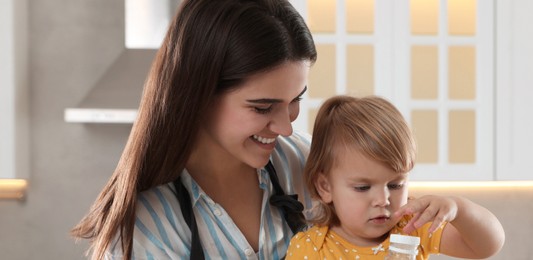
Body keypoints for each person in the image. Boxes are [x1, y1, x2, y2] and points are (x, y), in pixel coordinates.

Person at [71, 0, 317, 259]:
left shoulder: (310, 163)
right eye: (263, 108)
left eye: (295, 100)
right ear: (199, 95)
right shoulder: (146, 228)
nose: (286, 128)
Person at [286, 95, 505, 260]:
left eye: (395, 184)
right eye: (363, 187)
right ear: (325, 187)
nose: (383, 199)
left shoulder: (412, 227)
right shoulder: (311, 249)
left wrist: (458, 209)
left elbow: (487, 245)